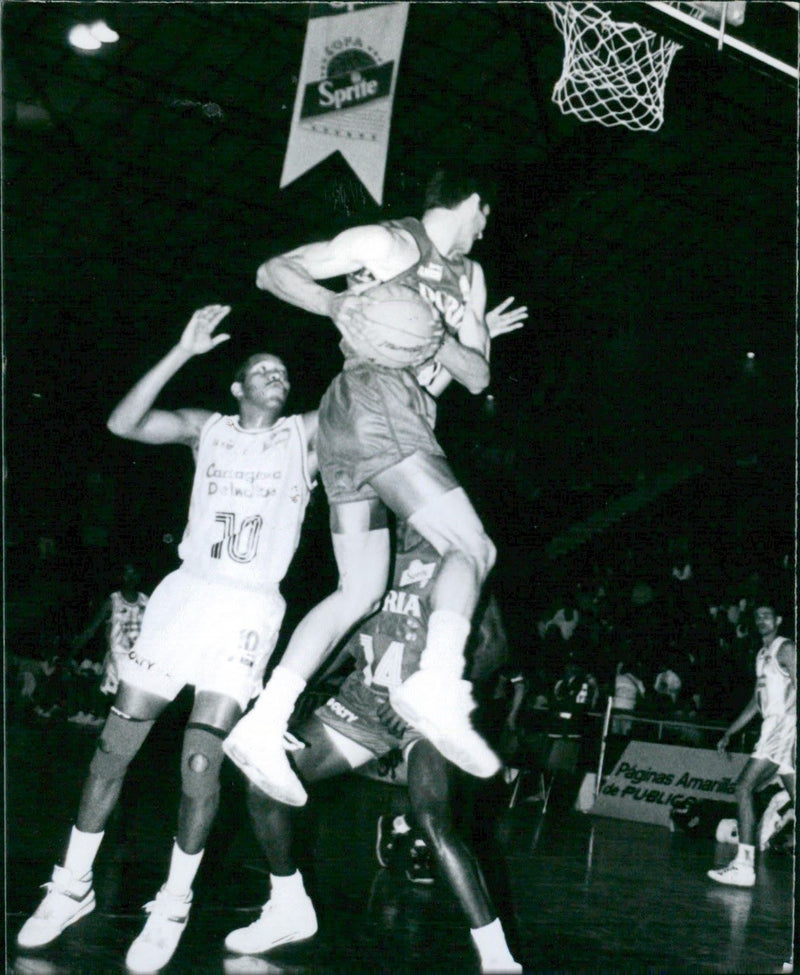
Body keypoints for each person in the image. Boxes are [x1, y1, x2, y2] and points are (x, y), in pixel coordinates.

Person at [17, 305, 318, 974]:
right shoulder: (203, 428)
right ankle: (72, 885)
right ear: (237, 387)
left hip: (246, 612)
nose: (277, 378)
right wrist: (182, 349)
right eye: (262, 371)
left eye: (284, 374)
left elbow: (377, 407)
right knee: (111, 750)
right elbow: (121, 422)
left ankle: (174, 901)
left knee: (200, 765)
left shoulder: (307, 435)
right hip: (184, 598)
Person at [225, 167, 527, 805]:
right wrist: (337, 303)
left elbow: (475, 376)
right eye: (484, 214)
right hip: (373, 401)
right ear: (471, 199)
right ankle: (439, 686)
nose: (484, 228)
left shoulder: (469, 279)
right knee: (472, 549)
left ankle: (263, 721)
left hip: (373, 421)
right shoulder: (386, 244)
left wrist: (430, 332)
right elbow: (273, 271)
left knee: (359, 588)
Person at [224, 521, 522, 974]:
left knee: (432, 816)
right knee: (263, 778)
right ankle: (288, 907)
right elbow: (343, 636)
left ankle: (497, 955)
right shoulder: (369, 555)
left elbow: (494, 649)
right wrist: (302, 688)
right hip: (363, 705)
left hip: (422, 712)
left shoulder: (455, 550)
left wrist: (423, 694)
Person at [708, 601, 796, 888]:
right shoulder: (761, 655)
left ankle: (744, 866)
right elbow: (756, 704)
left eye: (767, 615)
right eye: (757, 616)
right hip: (772, 726)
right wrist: (730, 732)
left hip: (783, 728)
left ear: (779, 619)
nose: (761, 620)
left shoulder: (785, 648)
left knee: (743, 787)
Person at [69, 563, 149, 699]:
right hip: (116, 660)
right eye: (127, 574)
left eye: (134, 573)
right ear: (121, 576)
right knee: (112, 700)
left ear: (139, 576)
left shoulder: (145, 601)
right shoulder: (113, 600)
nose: (131, 578)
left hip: (138, 660)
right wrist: (71, 653)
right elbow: (91, 629)